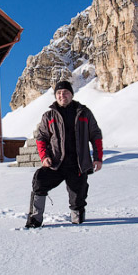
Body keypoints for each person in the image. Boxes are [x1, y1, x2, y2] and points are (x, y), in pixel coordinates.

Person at [26, 80, 103, 228]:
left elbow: (95, 135)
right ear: (55, 96)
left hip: (77, 164)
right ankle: (35, 219)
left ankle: (77, 220)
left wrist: (98, 158)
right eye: (59, 93)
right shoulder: (49, 116)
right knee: (39, 181)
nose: (62, 95)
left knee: (77, 197)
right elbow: (41, 137)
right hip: (56, 163)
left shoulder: (84, 113)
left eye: (65, 92)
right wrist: (44, 156)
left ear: (71, 94)